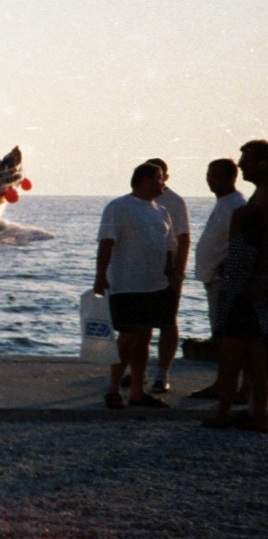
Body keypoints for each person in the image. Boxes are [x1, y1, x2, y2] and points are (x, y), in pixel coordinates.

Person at [94, 163, 176, 409]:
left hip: (156, 286)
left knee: (144, 338)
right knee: (128, 335)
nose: (164, 183)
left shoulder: (162, 211)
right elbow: (106, 243)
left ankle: (138, 392)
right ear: (145, 180)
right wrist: (100, 276)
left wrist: (170, 276)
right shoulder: (118, 207)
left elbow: (170, 246)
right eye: (160, 179)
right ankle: (113, 388)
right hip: (127, 284)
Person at [203, 140, 268, 432]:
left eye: (248, 159)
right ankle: (246, 411)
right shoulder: (257, 195)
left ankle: (241, 412)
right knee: (246, 350)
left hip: (251, 285)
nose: (241, 165)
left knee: (243, 350)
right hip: (241, 281)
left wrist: (256, 278)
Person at [188, 158, 247, 401]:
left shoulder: (235, 204)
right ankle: (228, 384)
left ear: (230, 177)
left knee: (226, 337)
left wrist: (226, 266)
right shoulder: (225, 203)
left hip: (224, 280)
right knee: (221, 335)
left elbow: (239, 241)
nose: (210, 180)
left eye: (215, 175)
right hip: (214, 278)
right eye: (208, 175)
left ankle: (228, 385)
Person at [142, 158, 191, 393]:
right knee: (140, 323)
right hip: (142, 269)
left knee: (167, 321)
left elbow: (184, 239)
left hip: (167, 269)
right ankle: (137, 371)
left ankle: (162, 373)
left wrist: (178, 274)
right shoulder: (137, 200)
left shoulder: (174, 201)